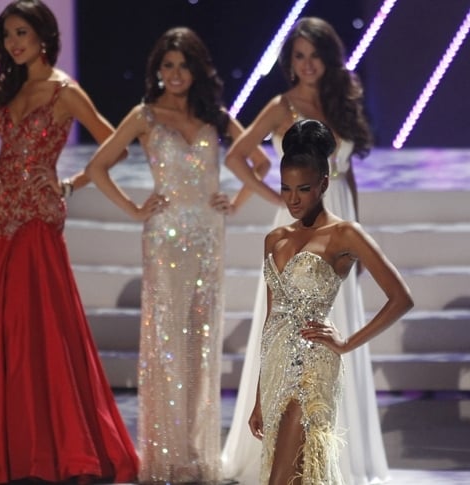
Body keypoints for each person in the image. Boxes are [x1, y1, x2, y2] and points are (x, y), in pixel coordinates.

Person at [0, 1, 138, 483]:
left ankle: (44, 446)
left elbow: (116, 144)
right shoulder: (9, 90)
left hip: (38, 221)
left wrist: (68, 184)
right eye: (7, 36)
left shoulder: (65, 92)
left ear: (44, 36)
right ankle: (1, 441)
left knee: (33, 329)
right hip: (1, 220)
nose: (13, 43)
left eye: (21, 33)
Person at [86, 27, 270, 484]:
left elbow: (261, 163)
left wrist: (238, 200)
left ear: (196, 69)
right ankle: (166, 456)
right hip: (164, 237)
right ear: (157, 71)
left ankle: (194, 453)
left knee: (199, 345)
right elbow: (97, 166)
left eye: (182, 65)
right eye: (166, 66)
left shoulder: (215, 116)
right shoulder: (145, 116)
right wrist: (134, 207)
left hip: (208, 235)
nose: (174, 74)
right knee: (167, 344)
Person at [221, 17, 383, 484]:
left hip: (341, 227)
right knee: (287, 328)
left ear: (328, 59)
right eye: (298, 56)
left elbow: (347, 173)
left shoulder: (342, 102)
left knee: (337, 328)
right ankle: (278, 439)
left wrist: (361, 229)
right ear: (289, 63)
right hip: (296, 226)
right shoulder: (281, 105)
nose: (307, 64)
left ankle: (336, 457)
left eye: (314, 55)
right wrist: (276, 198)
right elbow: (236, 155)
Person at [251, 118, 413, 484]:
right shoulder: (274, 238)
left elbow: (401, 298)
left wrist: (345, 344)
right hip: (276, 363)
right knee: (299, 475)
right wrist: (259, 397)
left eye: (303, 189)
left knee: (280, 479)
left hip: (313, 366)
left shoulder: (345, 234)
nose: (293, 199)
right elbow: (270, 318)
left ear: (324, 183)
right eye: (286, 188)